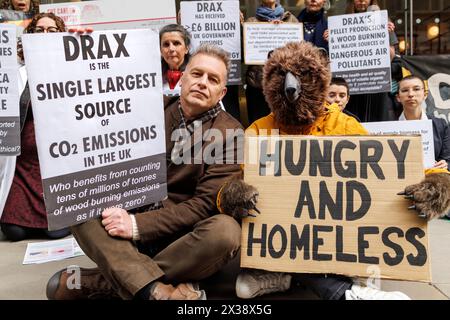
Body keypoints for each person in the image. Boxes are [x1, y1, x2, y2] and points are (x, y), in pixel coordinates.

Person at [46, 44, 243, 300]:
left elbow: (205, 205)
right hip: (123, 230)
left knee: (226, 231)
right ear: (182, 77)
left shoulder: (231, 133)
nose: (203, 83)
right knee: (75, 197)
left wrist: (137, 225)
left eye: (213, 79)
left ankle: (109, 282)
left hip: (183, 240)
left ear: (222, 92)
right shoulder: (145, 109)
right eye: (197, 74)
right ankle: (158, 291)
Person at [0, 13, 71, 241]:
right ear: (30, 35)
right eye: (39, 30)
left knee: (56, 232)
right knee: (13, 232)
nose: (45, 35)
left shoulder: (72, 69)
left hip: (55, 164)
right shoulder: (16, 71)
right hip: (22, 164)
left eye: (51, 30)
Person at [343, 0, 399, 123]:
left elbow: (390, 57)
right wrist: (332, 39)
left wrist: (386, 35)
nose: (362, 0)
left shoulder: (383, 20)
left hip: (376, 82)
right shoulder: (342, 22)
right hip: (353, 83)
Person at [245, 0, 298, 125]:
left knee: (283, 128)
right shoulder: (251, 23)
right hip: (258, 87)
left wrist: (280, 31)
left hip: (284, 87)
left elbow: (298, 54)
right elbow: (244, 54)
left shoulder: (291, 21)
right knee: (260, 130)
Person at [396, 75, 450, 170]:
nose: (411, 94)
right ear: (398, 97)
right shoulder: (388, 126)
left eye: (416, 89)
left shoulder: (440, 125)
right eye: (404, 90)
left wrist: (445, 165)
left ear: (425, 94)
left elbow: (447, 159)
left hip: (432, 180)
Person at [159, 24, 191, 103]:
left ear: (187, 48)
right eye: (166, 44)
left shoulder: (198, 75)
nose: (171, 49)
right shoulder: (154, 77)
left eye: (176, 43)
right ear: (160, 50)